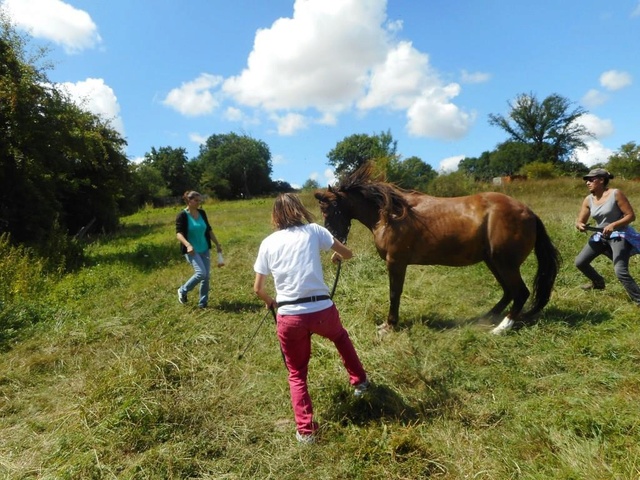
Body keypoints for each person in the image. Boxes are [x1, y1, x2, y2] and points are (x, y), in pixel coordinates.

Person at [253, 193, 368, 444]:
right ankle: (360, 382)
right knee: (339, 337)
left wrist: (270, 302)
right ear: (299, 209)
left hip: (289, 316)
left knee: (296, 373)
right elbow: (347, 253)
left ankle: (305, 432)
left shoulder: (268, 243)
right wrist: (337, 255)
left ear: (275, 215)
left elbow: (258, 288)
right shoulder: (315, 231)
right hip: (321, 311)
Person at [575, 168, 640, 306]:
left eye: (591, 179)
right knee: (580, 262)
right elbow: (580, 220)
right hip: (600, 236)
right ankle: (598, 283)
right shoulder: (588, 200)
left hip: (618, 235)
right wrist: (580, 225)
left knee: (620, 271)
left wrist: (613, 225)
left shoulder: (615, 194)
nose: (587, 182)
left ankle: (638, 299)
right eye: (587, 180)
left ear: (602, 180)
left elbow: (630, 216)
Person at [176, 191, 223, 309]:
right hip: (192, 250)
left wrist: (217, 243)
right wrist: (188, 245)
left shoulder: (202, 213)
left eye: (199, 200)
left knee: (206, 277)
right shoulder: (182, 215)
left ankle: (203, 303)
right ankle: (183, 290)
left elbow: (208, 229)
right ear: (189, 201)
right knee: (201, 273)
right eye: (196, 200)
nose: (198, 203)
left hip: (204, 248)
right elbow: (179, 234)